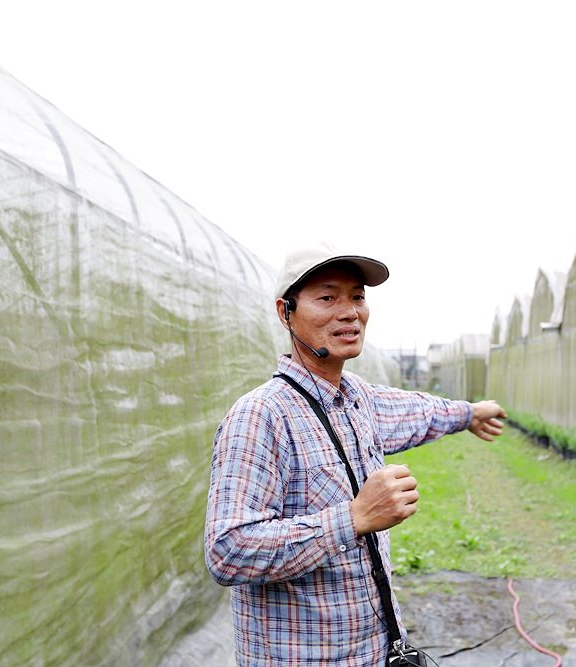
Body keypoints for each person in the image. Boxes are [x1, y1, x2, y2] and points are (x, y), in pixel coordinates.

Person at [204, 242, 507, 666]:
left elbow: (415, 411)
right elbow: (228, 550)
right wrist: (354, 518)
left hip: (372, 653)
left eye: (357, 296)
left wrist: (470, 413)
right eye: (327, 297)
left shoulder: (356, 399)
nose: (349, 312)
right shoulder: (260, 416)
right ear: (285, 312)